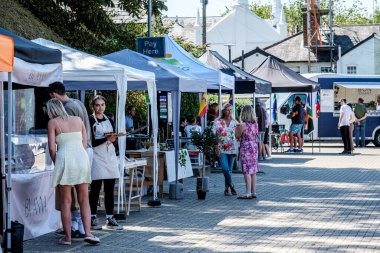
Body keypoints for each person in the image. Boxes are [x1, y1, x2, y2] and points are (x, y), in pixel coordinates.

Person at [46, 99, 99, 245]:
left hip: (65, 159)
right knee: (84, 200)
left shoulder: (53, 123)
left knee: (66, 201)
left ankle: (68, 237)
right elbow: (84, 142)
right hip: (81, 158)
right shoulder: (78, 119)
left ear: (51, 110)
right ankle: (88, 233)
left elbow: (51, 148)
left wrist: (58, 161)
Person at [88, 95, 122, 230]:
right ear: (93, 106)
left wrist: (114, 140)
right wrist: (107, 138)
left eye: (102, 105)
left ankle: (109, 218)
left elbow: (114, 140)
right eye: (97, 105)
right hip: (97, 156)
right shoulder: (90, 120)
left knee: (109, 189)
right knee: (95, 189)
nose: (100, 108)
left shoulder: (110, 120)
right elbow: (92, 141)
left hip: (110, 157)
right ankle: (92, 217)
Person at [212, 103, 238, 196]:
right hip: (221, 148)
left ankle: (227, 189)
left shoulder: (235, 122)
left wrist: (237, 150)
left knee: (229, 170)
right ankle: (231, 184)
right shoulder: (217, 121)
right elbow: (214, 136)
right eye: (228, 110)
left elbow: (238, 136)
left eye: (231, 110)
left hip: (233, 148)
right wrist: (216, 148)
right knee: (225, 168)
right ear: (223, 111)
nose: (230, 112)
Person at [235, 105, 259, 199]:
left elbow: (237, 136)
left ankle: (248, 192)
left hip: (246, 147)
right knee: (253, 170)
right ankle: (253, 192)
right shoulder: (255, 124)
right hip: (254, 146)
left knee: (246, 170)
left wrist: (237, 128)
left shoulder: (243, 125)